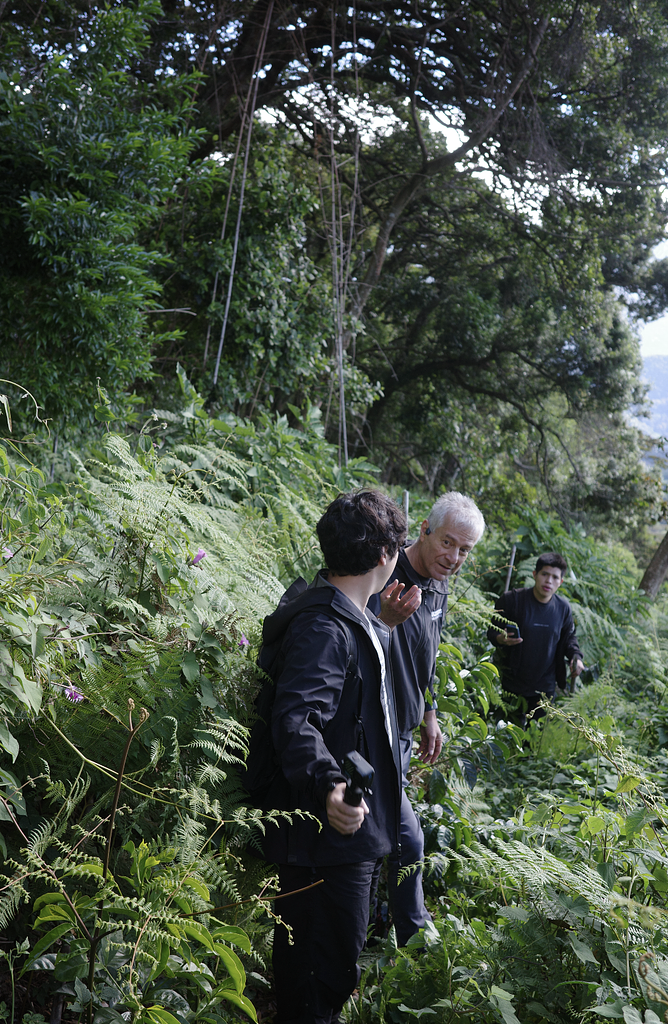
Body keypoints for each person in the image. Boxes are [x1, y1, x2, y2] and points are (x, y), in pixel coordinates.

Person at [261, 490, 405, 1024]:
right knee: (316, 982)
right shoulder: (324, 627)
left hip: (344, 836)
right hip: (324, 838)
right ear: (387, 553)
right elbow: (296, 719)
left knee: (330, 973)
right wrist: (329, 788)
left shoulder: (352, 614)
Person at [368, 491, 485, 945]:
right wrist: (385, 617)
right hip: (371, 726)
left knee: (388, 835)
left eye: (464, 551)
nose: (454, 558)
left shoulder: (439, 581)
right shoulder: (385, 572)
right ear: (424, 530)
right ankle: (416, 941)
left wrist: (429, 712)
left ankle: (382, 924)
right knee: (408, 839)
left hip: (403, 729)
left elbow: (427, 654)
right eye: (449, 544)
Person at [488, 551, 584, 723]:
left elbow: (569, 637)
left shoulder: (563, 608)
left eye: (555, 577)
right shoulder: (512, 600)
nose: (548, 581)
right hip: (511, 682)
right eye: (544, 574)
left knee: (534, 740)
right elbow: (492, 631)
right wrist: (501, 639)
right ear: (535, 575)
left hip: (544, 687)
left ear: (561, 582)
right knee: (506, 734)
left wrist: (576, 657)